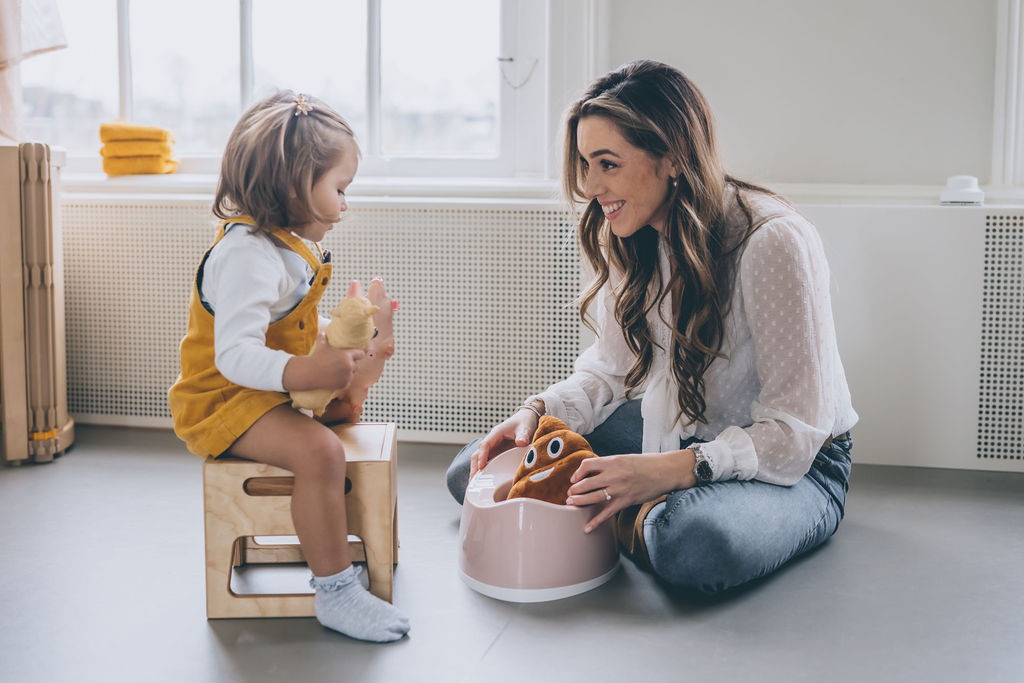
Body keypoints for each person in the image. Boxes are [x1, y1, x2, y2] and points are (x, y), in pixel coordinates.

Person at [446, 60, 857, 595]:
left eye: (607, 164)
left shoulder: (772, 240)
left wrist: (664, 471)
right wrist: (537, 410)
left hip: (796, 464)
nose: (591, 186)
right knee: (471, 472)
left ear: (673, 156)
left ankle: (638, 512)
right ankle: (634, 511)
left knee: (690, 544)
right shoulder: (631, 231)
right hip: (678, 423)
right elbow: (611, 372)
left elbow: (794, 433)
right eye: (585, 164)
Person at [169, 91, 409, 641]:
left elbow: (285, 327)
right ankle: (336, 591)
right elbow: (233, 356)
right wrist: (306, 373)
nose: (345, 203)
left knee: (340, 417)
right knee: (320, 451)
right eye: (340, 189)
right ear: (294, 184)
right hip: (223, 401)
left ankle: (354, 375)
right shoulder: (247, 254)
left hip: (264, 389)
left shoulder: (287, 245)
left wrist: (329, 337)